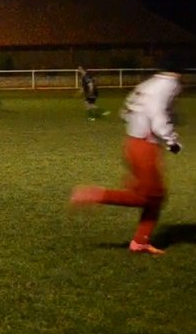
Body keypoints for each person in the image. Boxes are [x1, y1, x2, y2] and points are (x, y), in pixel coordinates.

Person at [69, 65, 184, 255]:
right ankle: (93, 195)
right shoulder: (169, 83)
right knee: (149, 197)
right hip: (144, 145)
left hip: (133, 142)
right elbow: (158, 116)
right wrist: (171, 140)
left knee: (155, 197)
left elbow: (126, 110)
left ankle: (140, 242)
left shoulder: (151, 82)